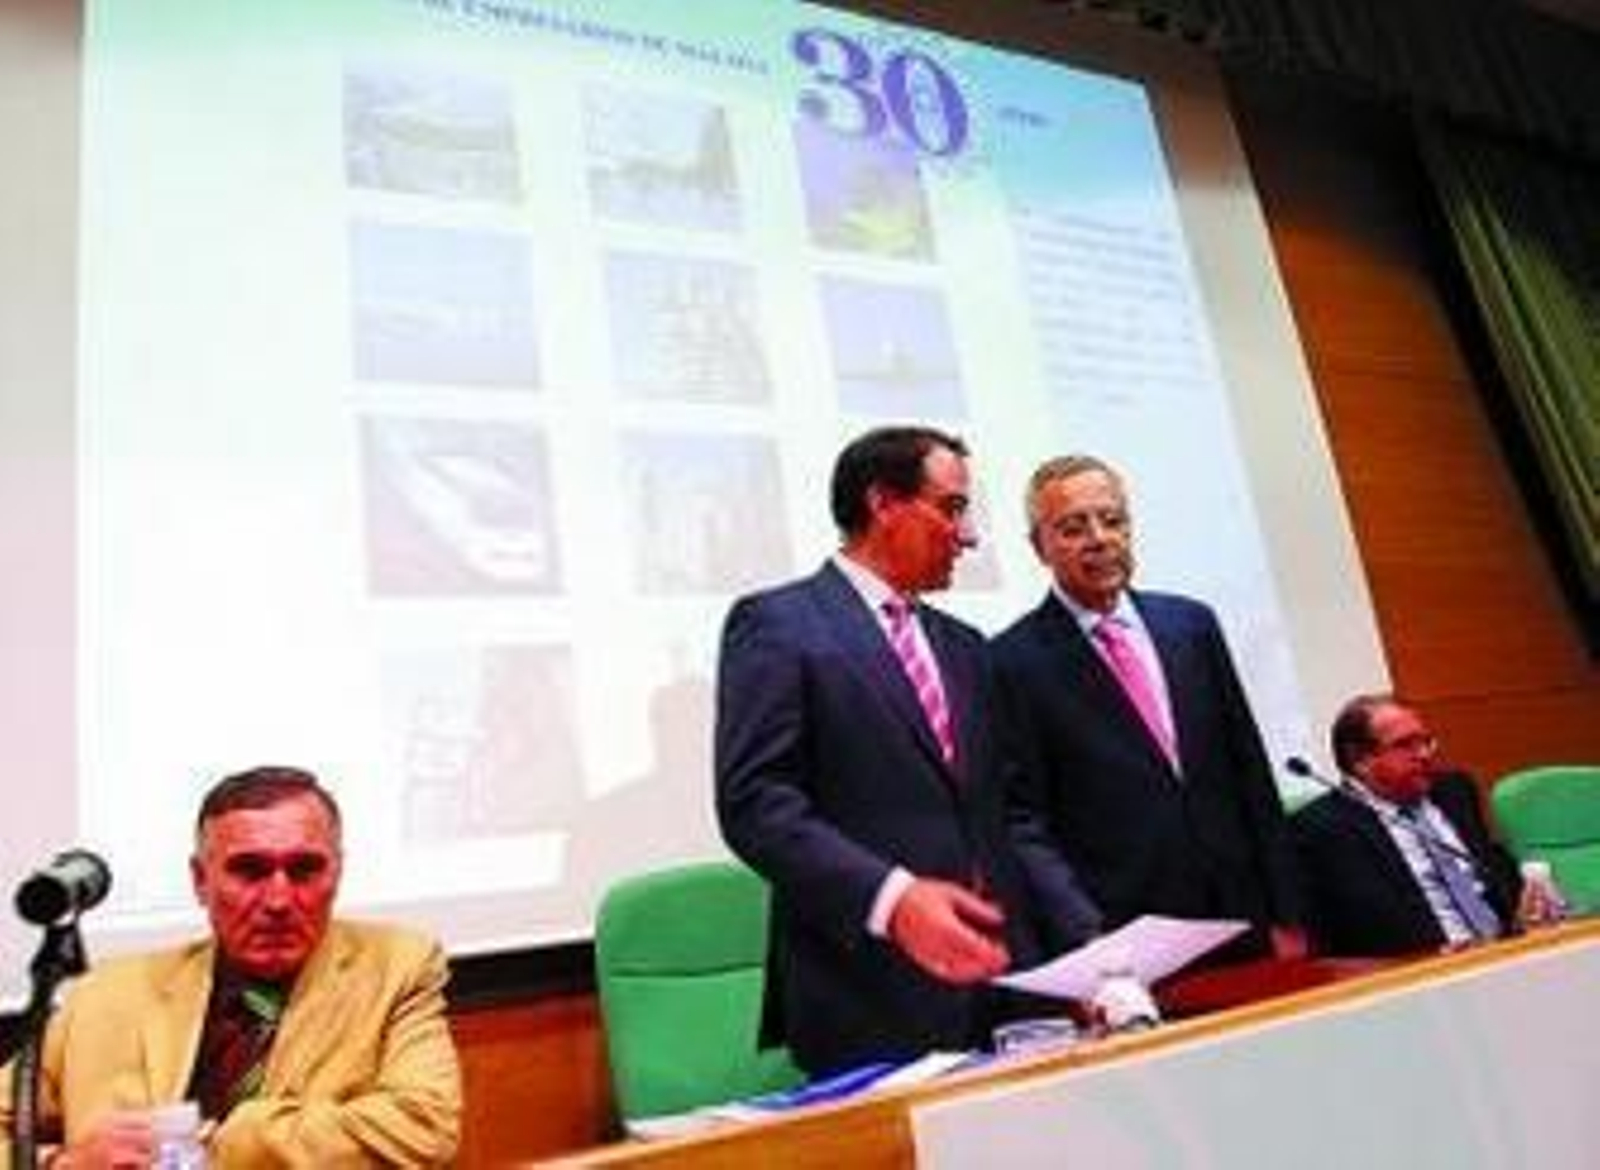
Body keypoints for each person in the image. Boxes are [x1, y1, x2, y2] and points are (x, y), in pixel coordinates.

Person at [715, 425, 1100, 1077]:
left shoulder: (966, 647)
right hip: (869, 994)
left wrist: (1089, 951)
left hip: (1006, 993)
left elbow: (1010, 816)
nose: (970, 535)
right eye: (951, 508)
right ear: (883, 503)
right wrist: (893, 899)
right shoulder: (778, 625)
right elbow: (757, 804)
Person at [2, 766, 461, 1168]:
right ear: (201, 880)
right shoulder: (108, 992)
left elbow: (425, 1127)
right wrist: (58, 1163)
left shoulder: (397, 968)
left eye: (304, 869)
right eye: (250, 870)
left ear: (336, 874)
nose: (279, 900)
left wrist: (208, 1145)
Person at [992, 454, 1304, 960]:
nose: (1099, 538)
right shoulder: (1011, 661)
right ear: (1039, 547)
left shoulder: (1191, 625)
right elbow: (1026, 817)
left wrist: (1287, 911)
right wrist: (1087, 941)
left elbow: (1248, 770)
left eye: (1113, 520)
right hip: (1129, 935)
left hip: (1243, 915)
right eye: (1073, 528)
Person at [1290, 693, 1540, 957]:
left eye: (1426, 741)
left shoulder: (1454, 790)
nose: (1424, 754)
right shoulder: (1323, 829)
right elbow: (1355, 928)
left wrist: (1526, 898)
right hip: (1424, 968)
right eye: (1405, 745)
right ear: (1361, 761)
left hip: (1507, 949)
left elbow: (1489, 866)